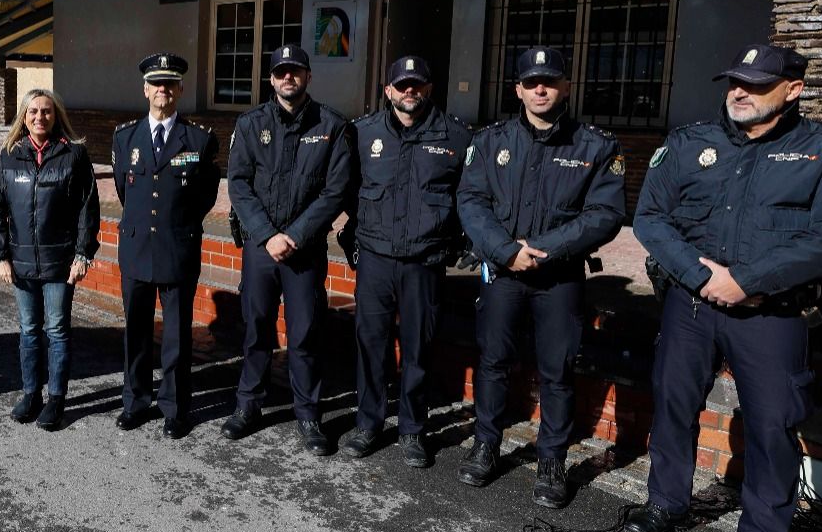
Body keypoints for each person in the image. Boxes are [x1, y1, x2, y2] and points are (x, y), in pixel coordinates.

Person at [627, 43, 822, 532]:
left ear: (794, 90)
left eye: (757, 84)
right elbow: (651, 218)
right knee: (673, 405)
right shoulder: (689, 143)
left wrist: (748, 279)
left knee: (771, 425)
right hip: (691, 307)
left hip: (771, 315)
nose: (740, 92)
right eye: (735, 81)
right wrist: (701, 276)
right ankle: (665, 502)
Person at [455, 46, 625, 507]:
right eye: (531, 82)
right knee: (493, 361)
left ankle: (552, 460)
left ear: (566, 87)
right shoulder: (490, 141)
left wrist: (542, 251)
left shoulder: (595, 145)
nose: (540, 90)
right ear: (518, 90)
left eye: (549, 81)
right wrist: (506, 251)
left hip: (559, 277)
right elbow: (471, 201)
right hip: (504, 271)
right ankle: (486, 444)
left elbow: (605, 214)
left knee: (558, 370)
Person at [223, 44, 357, 455]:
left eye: (295, 71)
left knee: (305, 334)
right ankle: (248, 405)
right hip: (261, 247)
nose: (288, 77)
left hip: (305, 249)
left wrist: (294, 235)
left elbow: (336, 191)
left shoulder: (332, 126)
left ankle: (309, 414)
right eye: (281, 71)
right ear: (271, 78)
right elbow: (239, 184)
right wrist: (268, 235)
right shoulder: (251, 124)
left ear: (308, 76)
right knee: (256, 329)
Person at [339, 56, 471, 467]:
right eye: (402, 85)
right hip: (375, 259)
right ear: (388, 90)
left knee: (418, 348)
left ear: (428, 89)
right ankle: (369, 422)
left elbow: (468, 197)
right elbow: (346, 189)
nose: (409, 91)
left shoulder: (456, 136)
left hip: (424, 263)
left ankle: (413, 429)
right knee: (370, 344)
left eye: (417, 84)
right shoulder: (363, 134)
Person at [111, 53, 220, 438]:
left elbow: (205, 196)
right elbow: (125, 191)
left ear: (180, 89)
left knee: (176, 336)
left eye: (170, 83)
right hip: (137, 248)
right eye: (156, 83)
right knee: (136, 332)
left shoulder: (200, 140)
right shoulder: (125, 137)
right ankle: (136, 402)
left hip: (177, 249)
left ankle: (175, 408)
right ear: (145, 90)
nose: (163, 89)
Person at [0, 88, 100, 431]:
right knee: (28, 330)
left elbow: (88, 209)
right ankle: (31, 394)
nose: (40, 117)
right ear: (24, 117)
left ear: (56, 116)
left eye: (47, 111)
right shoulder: (10, 156)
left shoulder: (73, 155)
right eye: (33, 111)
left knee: (57, 330)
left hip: (60, 263)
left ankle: (56, 399)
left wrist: (83, 254)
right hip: (21, 263)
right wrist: (1, 256)